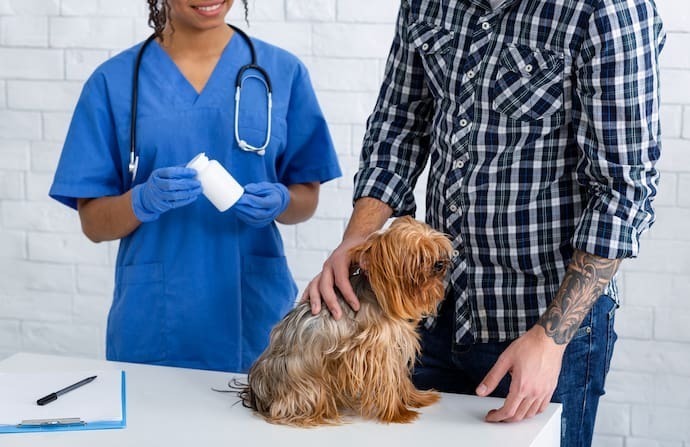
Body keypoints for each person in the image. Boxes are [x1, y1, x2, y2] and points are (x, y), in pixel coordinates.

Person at [304, 0, 664, 445]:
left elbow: (622, 191)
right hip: (425, 319)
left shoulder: (607, 12)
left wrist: (550, 340)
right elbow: (398, 126)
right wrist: (356, 240)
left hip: (540, 327)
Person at [49, 0, 341, 373]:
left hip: (255, 315)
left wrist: (283, 200)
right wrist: (141, 201)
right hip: (156, 320)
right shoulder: (114, 82)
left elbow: (306, 197)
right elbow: (93, 223)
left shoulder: (282, 74)